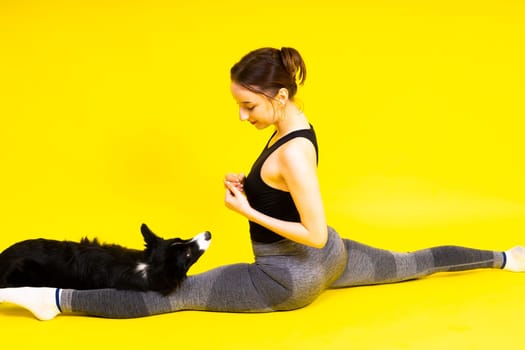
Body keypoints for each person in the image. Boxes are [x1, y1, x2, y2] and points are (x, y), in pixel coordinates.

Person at [1, 47, 524, 321]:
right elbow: (301, 207)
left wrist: (246, 213)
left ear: (276, 94)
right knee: (413, 264)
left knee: (171, 293)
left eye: (248, 105)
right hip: (335, 260)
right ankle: (507, 259)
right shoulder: (294, 123)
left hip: (285, 283)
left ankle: (57, 299)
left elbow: (312, 231)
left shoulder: (291, 151)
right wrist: (252, 186)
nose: (242, 115)